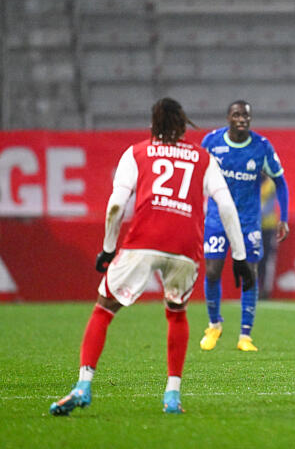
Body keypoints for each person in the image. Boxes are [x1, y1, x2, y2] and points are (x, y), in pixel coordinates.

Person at [50, 98, 252, 416]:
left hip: (143, 242)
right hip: (185, 248)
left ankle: (83, 385)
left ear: (152, 125)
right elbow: (226, 206)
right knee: (177, 313)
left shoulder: (136, 153)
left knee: (104, 309)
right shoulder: (203, 158)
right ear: (183, 125)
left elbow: (116, 205)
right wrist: (239, 256)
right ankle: (172, 396)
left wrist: (108, 247)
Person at [199, 101, 290, 352]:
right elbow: (197, 175)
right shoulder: (211, 142)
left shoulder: (261, 146)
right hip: (217, 218)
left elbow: (280, 181)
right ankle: (214, 325)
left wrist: (283, 217)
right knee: (212, 271)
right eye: (237, 115)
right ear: (228, 117)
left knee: (250, 272)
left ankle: (245, 336)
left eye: (246, 116)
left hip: (249, 221)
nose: (242, 119)